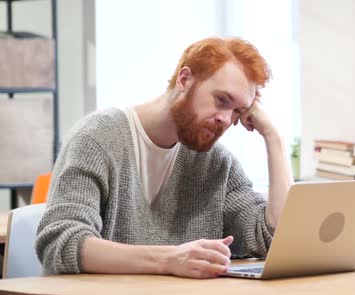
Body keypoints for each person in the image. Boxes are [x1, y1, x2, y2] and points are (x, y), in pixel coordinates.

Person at [35, 37, 293, 279]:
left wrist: (274, 138)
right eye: (221, 100)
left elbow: (275, 240)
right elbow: (62, 243)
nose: (225, 119)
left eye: (237, 110)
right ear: (184, 79)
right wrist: (168, 259)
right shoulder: (97, 139)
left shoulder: (217, 164)